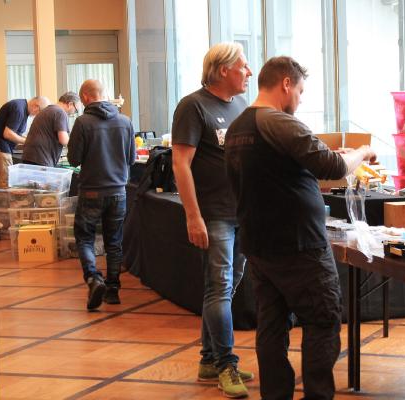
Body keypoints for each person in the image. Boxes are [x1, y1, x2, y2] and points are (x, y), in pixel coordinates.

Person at [224, 56, 376, 400]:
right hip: (299, 246)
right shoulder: (278, 121)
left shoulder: (238, 127)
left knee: (272, 326)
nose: (301, 99)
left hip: (260, 244)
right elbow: (334, 167)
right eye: (301, 91)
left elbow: (272, 172)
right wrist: (361, 152)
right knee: (323, 319)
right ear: (286, 84)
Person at [171, 42, 254, 398]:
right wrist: (193, 216)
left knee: (227, 286)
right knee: (219, 287)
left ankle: (209, 358)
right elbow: (180, 164)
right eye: (243, 66)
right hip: (214, 214)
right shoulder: (193, 106)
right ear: (223, 70)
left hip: (242, 213)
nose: (249, 72)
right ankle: (225, 364)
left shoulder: (241, 105)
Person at [67, 79, 135, 311]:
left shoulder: (82, 122)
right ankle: (113, 291)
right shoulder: (125, 121)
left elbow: (73, 159)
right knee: (114, 241)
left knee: (85, 237)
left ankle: (93, 278)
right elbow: (131, 159)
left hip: (91, 191)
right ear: (104, 94)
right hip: (118, 191)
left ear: (86, 97)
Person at [0, 96, 50, 187]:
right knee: (8, 179)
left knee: (9, 178)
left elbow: (15, 132)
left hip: (0, 144)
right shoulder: (18, 110)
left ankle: (7, 194)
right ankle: (6, 196)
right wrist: (28, 142)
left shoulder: (22, 108)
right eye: (40, 112)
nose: (37, 115)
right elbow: (8, 134)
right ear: (36, 106)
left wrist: (30, 139)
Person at [22, 91, 80, 167]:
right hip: (42, 159)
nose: (73, 113)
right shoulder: (60, 112)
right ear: (70, 104)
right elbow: (63, 140)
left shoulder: (45, 110)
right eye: (76, 110)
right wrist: (78, 146)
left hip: (29, 156)